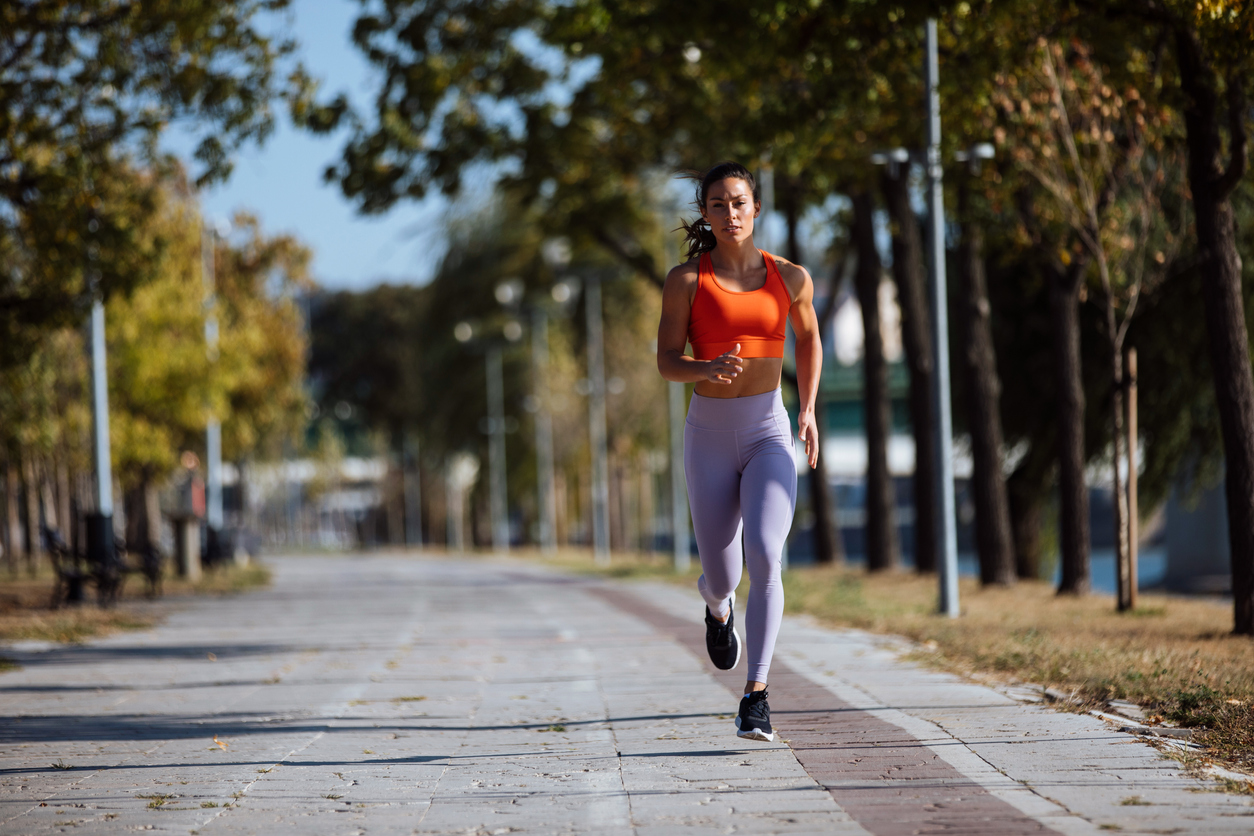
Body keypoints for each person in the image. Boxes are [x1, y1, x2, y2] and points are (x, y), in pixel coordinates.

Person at [656, 161, 821, 742]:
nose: (731, 213)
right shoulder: (685, 281)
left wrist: (806, 408)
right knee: (724, 573)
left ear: (756, 209)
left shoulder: (790, 277)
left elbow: (809, 338)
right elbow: (666, 361)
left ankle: (756, 695)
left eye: (741, 202)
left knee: (767, 556)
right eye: (720, 204)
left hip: (768, 431)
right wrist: (705, 366)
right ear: (706, 212)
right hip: (708, 434)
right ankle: (715, 604)